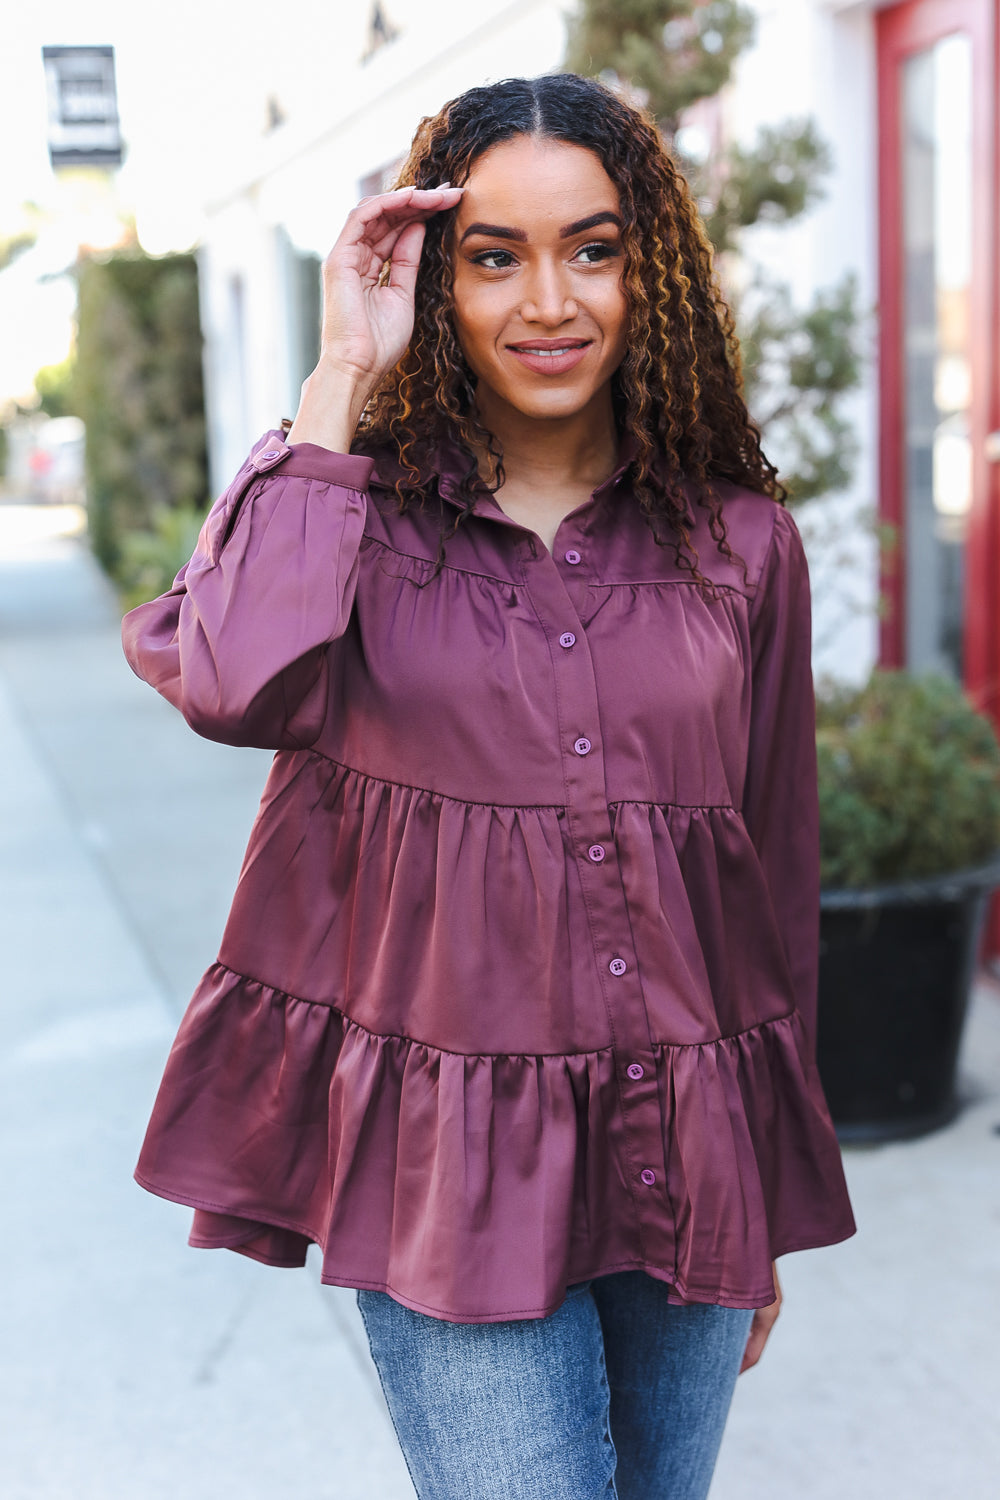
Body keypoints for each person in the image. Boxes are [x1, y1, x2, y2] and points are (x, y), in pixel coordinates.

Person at [124, 73, 855, 1500]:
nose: (550, 302)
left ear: (651, 269)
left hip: (685, 1149)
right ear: (436, 282)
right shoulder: (345, 515)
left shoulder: (743, 545)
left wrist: (766, 1183)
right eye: (494, 256)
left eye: (592, 247)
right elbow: (229, 683)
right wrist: (343, 370)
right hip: (453, 1176)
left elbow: (771, 879)